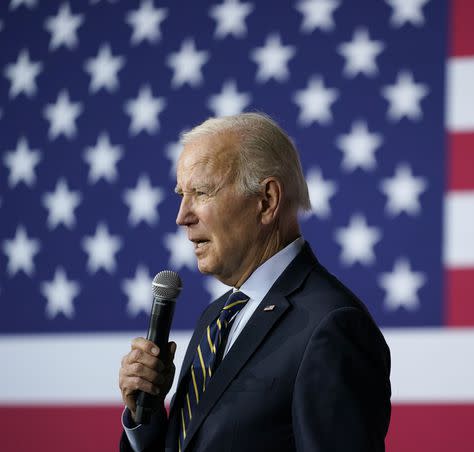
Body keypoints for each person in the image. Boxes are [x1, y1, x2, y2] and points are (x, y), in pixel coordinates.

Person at [118, 112, 391, 452]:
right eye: (181, 195)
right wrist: (146, 416)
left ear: (267, 201)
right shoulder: (215, 319)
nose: (182, 217)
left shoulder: (332, 326)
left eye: (201, 192)